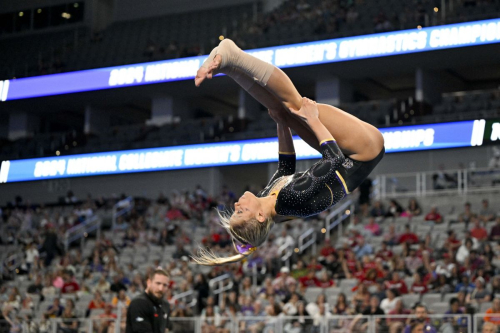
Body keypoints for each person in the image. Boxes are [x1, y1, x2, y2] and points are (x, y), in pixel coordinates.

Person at [192, 38, 385, 265]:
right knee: (295, 105)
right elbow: (334, 157)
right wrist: (312, 120)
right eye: (241, 212)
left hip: (345, 154)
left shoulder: (269, 200)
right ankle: (234, 56)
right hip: (364, 150)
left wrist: (282, 124)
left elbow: (285, 168)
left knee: (280, 109)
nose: (236, 205)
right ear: (260, 217)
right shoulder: (291, 200)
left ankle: (230, 68)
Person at [125, 268, 172, 333]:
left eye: (165, 285)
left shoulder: (165, 305)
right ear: (149, 282)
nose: (161, 288)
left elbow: (166, 329)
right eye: (158, 283)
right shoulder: (139, 303)